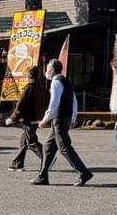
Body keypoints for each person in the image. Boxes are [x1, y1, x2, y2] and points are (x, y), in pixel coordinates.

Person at [31, 58, 93, 187]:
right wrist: (73, 117)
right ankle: (43, 175)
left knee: (64, 147)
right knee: (48, 147)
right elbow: (74, 100)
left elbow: (54, 103)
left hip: (59, 118)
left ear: (52, 70)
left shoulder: (56, 82)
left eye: (47, 69)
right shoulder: (66, 81)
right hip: (64, 117)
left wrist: (45, 120)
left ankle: (83, 172)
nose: (46, 71)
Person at [6, 66, 48, 170]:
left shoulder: (29, 87)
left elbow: (20, 105)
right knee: (24, 140)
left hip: (30, 118)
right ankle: (18, 163)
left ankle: (47, 158)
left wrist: (12, 118)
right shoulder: (40, 87)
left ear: (29, 75)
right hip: (37, 117)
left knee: (32, 142)